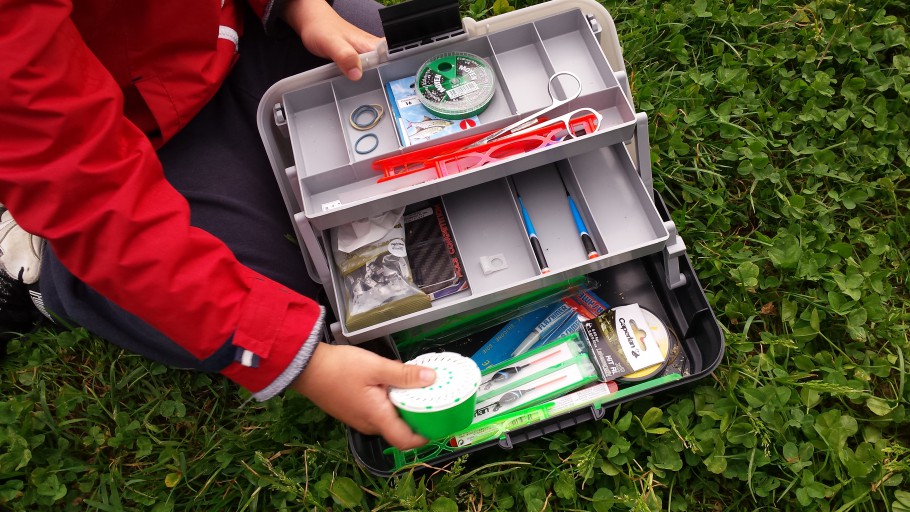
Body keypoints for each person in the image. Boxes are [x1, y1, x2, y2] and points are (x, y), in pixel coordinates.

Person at [0, 0, 436, 451]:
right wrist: (296, 359)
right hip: (128, 146)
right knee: (262, 296)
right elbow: (87, 193)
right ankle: (52, 265)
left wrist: (301, 9)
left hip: (237, 41)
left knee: (397, 64)